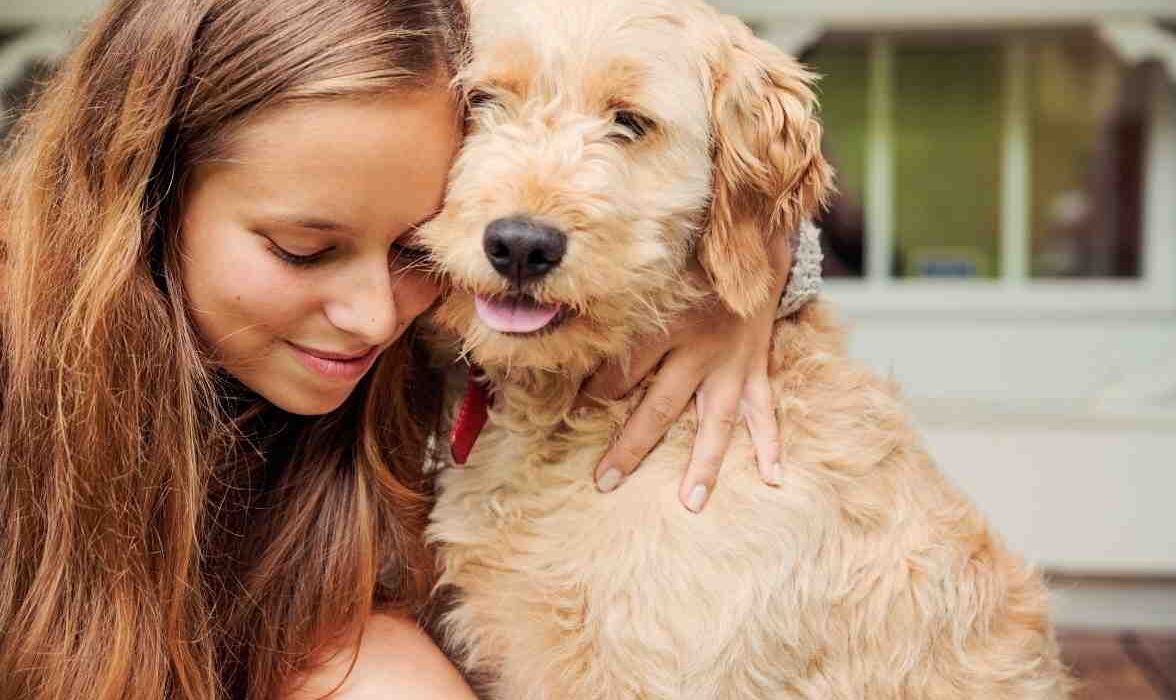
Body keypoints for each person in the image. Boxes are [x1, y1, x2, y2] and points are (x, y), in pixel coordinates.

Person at [0, 0, 817, 697]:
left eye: (414, 250)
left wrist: (749, 281)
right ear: (145, 193)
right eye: (301, 249)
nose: (370, 319)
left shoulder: (463, 329)